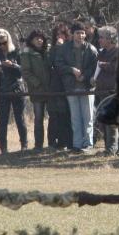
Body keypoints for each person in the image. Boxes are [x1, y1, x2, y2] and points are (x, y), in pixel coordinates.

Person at [57, 23, 99, 153]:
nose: (80, 35)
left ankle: (88, 144)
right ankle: (77, 144)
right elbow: (58, 64)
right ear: (72, 34)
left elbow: (95, 67)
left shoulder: (91, 49)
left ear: (85, 34)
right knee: (75, 118)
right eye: (77, 33)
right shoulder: (64, 49)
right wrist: (71, 70)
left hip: (87, 88)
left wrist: (85, 76)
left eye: (82, 33)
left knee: (88, 118)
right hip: (71, 87)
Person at [93, 26, 119, 159]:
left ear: (110, 39)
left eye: (102, 37)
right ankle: (110, 148)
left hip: (116, 91)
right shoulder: (102, 53)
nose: (99, 40)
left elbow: (116, 68)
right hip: (103, 91)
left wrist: (103, 65)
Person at [0, 29, 28, 154]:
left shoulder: (16, 52)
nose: (2, 45)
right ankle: (3, 148)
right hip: (2, 89)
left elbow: (24, 70)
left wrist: (13, 65)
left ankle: (24, 145)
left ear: (8, 40)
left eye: (4, 42)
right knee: (3, 120)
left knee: (20, 118)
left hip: (17, 88)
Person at [20, 29, 52, 152]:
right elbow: (26, 72)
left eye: (41, 38)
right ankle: (38, 145)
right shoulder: (27, 53)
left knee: (53, 117)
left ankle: (51, 143)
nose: (39, 40)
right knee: (38, 118)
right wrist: (37, 83)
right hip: (37, 90)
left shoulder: (47, 52)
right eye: (36, 38)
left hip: (50, 90)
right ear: (31, 40)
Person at [47, 23, 73, 151]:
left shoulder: (71, 47)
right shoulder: (52, 49)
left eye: (61, 34)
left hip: (69, 84)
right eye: (57, 35)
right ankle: (58, 141)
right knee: (57, 114)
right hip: (56, 85)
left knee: (68, 114)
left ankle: (70, 141)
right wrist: (56, 49)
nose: (59, 37)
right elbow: (50, 63)